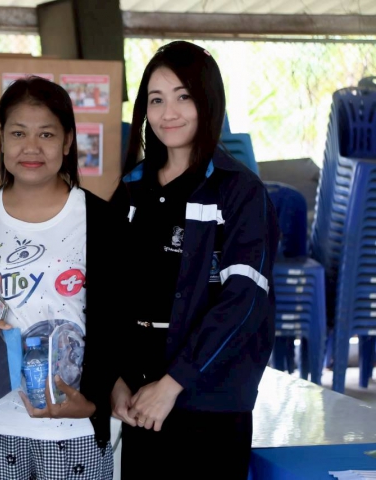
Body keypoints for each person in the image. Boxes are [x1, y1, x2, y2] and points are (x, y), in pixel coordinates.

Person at [110, 41, 279, 479]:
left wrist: (172, 384)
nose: (168, 113)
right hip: (139, 400)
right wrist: (116, 379)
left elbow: (244, 300)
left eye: (183, 96)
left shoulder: (240, 191)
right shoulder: (131, 190)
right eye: (156, 99)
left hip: (210, 402)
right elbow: (108, 291)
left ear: (208, 102)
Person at [0, 76, 129, 480]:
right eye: (18, 133)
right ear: (1, 139)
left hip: (74, 426)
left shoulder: (101, 220)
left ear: (68, 142)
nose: (31, 147)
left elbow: (116, 321)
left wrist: (92, 402)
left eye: (46, 134)